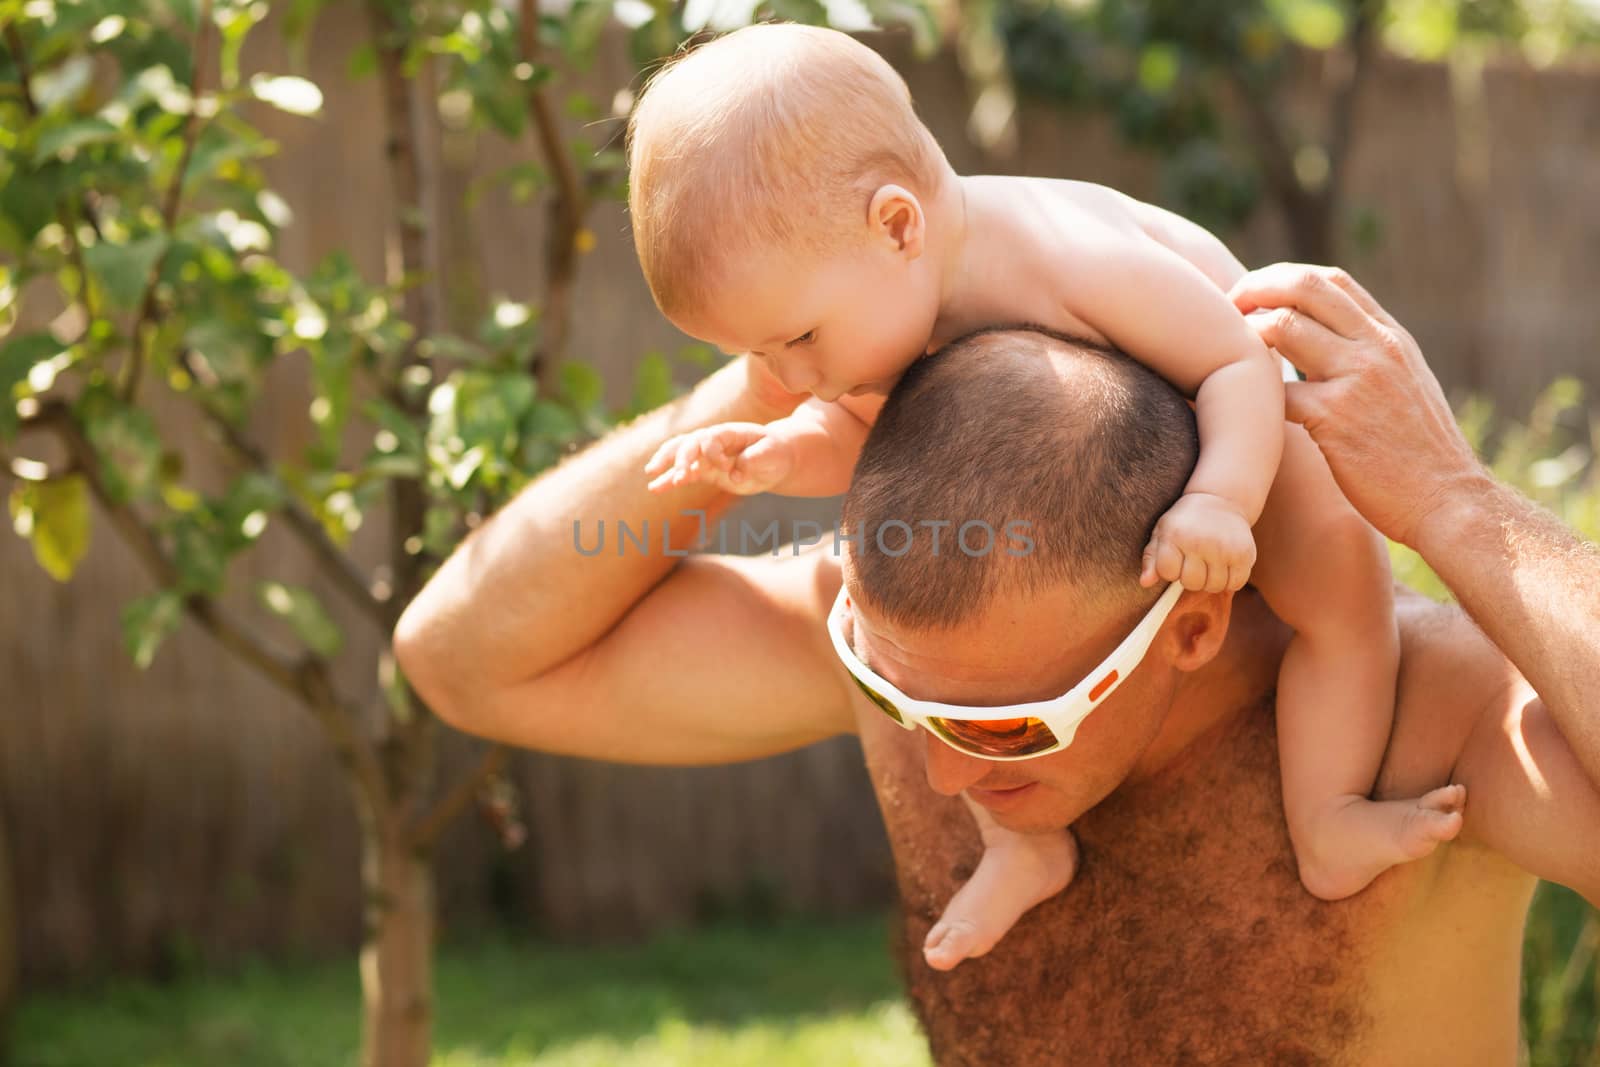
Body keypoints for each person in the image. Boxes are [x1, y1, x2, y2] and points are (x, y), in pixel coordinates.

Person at [396, 264, 1600, 1063]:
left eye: (1007, 727)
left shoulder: (1417, 716)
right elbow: (467, 660)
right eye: (886, 690)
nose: (946, 779)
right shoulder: (923, 660)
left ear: (1186, 620)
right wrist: (783, 360)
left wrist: (1454, 502)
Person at [624, 23, 1454, 967]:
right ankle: (1024, 845)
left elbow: (1233, 362)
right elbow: (853, 435)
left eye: (796, 340)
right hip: (1087, 492)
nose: (784, 372)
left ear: (898, 225)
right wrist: (776, 455)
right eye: (756, 355)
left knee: (1345, 593)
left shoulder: (1063, 257)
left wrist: (1222, 498)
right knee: (982, 667)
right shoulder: (884, 306)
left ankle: (1330, 813)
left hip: (1242, 433)